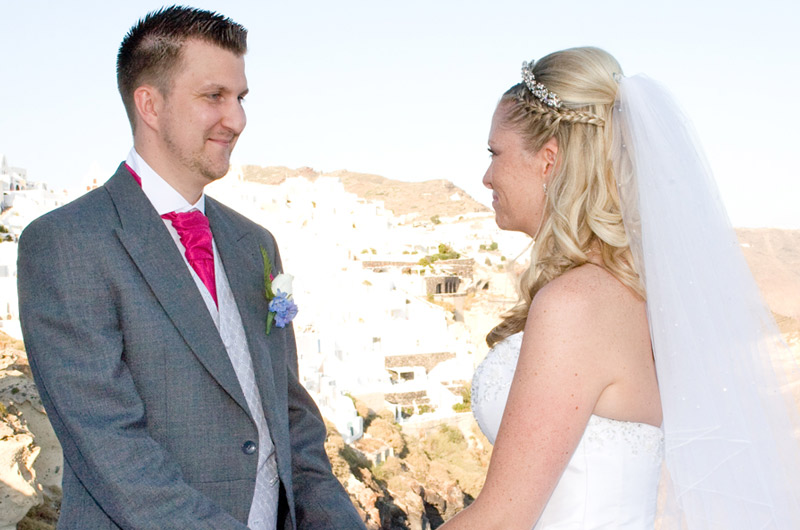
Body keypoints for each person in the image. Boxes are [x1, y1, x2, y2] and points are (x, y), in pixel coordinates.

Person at [17, 6, 365, 529]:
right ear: (150, 105)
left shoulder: (255, 245)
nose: (238, 119)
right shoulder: (66, 243)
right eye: (213, 97)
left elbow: (293, 425)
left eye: (241, 97)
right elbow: (114, 453)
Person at [441, 47, 800, 529]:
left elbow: (503, 518)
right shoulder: (634, 290)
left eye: (495, 153)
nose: (487, 175)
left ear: (548, 159)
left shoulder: (574, 304)